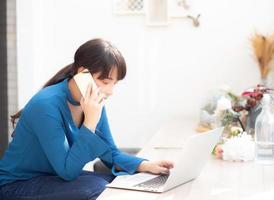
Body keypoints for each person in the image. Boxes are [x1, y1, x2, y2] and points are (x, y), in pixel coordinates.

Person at [0, 38, 174, 200]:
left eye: (114, 84)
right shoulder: (46, 105)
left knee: (119, 182)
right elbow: (67, 172)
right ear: (83, 73)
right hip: (17, 184)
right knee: (99, 187)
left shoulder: (94, 103)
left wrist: (147, 166)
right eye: (106, 82)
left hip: (53, 178)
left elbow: (110, 153)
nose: (110, 91)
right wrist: (89, 123)